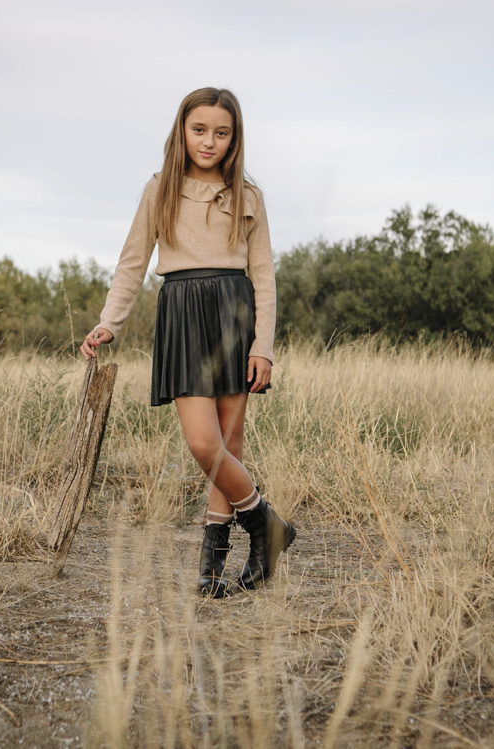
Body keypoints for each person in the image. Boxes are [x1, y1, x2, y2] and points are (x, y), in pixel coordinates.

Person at [80, 87, 296, 598]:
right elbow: (133, 261)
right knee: (204, 444)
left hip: (233, 312)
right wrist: (110, 321)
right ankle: (268, 526)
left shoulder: (248, 196)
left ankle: (211, 571)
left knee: (229, 445)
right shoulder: (160, 189)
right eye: (199, 129)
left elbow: (263, 276)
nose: (209, 141)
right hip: (180, 311)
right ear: (182, 130)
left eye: (221, 133)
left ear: (233, 138)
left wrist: (262, 347)